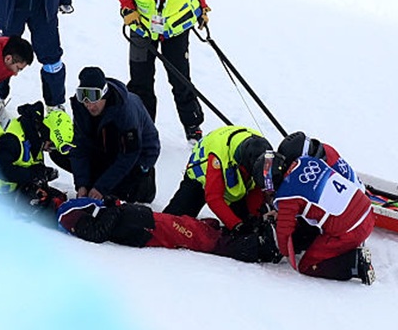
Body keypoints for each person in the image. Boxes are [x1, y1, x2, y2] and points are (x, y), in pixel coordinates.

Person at [115, 0, 209, 142]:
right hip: (142, 29)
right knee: (140, 82)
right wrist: (128, 8)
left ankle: (192, 125)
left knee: (180, 79)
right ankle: (142, 125)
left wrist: (202, 8)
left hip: (176, 30)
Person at [258, 145, 376, 284]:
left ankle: (354, 264)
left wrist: (282, 252)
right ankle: (349, 249)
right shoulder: (306, 160)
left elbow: (284, 232)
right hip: (367, 210)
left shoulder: (287, 196)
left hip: (352, 230)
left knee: (307, 265)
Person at [56, 198, 281, 264]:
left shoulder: (77, 212)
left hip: (149, 221)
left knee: (200, 228)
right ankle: (261, 245)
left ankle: (255, 231)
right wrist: (113, 206)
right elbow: (98, 234)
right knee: (202, 239)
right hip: (149, 228)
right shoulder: (70, 216)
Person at [69, 66, 160, 204]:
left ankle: (144, 184)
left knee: (118, 194)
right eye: (83, 97)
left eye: (94, 98)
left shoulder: (125, 111)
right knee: (62, 154)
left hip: (137, 155)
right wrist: (82, 185)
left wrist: (101, 187)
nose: (90, 106)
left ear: (104, 94)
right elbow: (79, 147)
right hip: (105, 148)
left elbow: (130, 154)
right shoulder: (81, 108)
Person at [163, 125, 270, 229]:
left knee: (248, 222)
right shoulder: (219, 157)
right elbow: (214, 198)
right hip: (200, 179)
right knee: (172, 223)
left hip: (235, 179)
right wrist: (235, 224)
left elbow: (257, 188)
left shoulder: (263, 150)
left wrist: (254, 215)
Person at [0, 101, 73, 216]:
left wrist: (42, 174)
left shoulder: (34, 138)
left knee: (56, 199)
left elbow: (28, 165)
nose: (50, 150)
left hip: (13, 188)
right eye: (52, 145)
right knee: (46, 210)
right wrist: (33, 174)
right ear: (46, 133)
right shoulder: (13, 139)